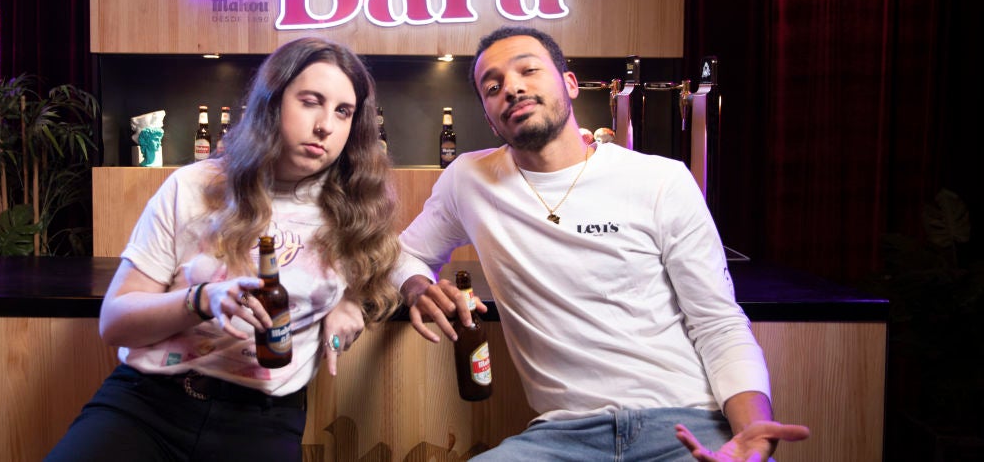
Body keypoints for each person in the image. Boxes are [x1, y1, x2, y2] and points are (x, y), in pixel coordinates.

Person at [392, 26, 809, 461]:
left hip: (685, 425)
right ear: (489, 117)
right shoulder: (469, 179)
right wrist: (418, 287)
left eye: (528, 71)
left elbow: (718, 323)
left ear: (570, 84)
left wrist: (750, 431)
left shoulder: (660, 179)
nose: (511, 88)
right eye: (492, 87)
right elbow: (405, 254)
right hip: (561, 438)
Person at [47, 37, 399, 461]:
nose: (325, 125)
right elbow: (115, 323)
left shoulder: (357, 210)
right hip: (149, 402)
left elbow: (404, 261)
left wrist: (353, 300)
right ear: (272, 103)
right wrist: (202, 299)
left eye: (343, 111)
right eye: (310, 102)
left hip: (263, 420)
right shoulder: (195, 186)